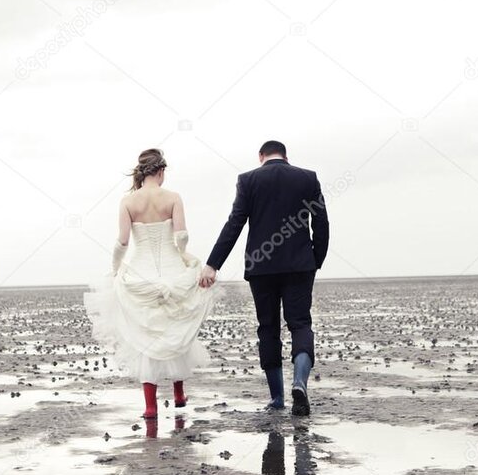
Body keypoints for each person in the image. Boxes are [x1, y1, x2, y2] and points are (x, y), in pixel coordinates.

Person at [84, 148, 216, 420]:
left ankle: (150, 406)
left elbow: (122, 242)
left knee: (147, 336)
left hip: (141, 272)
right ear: (161, 171)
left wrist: (116, 270)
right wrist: (186, 258)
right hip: (171, 269)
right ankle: (179, 393)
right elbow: (181, 238)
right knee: (176, 330)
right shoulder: (173, 198)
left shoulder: (128, 202)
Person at [200, 140, 329, 416]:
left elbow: (234, 223)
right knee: (300, 324)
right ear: (286, 155)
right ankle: (299, 382)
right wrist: (315, 260)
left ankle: (277, 399)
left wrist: (213, 264)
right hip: (299, 266)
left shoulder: (248, 180)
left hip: (262, 267)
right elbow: (321, 223)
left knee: (268, 328)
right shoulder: (307, 178)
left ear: (261, 156)